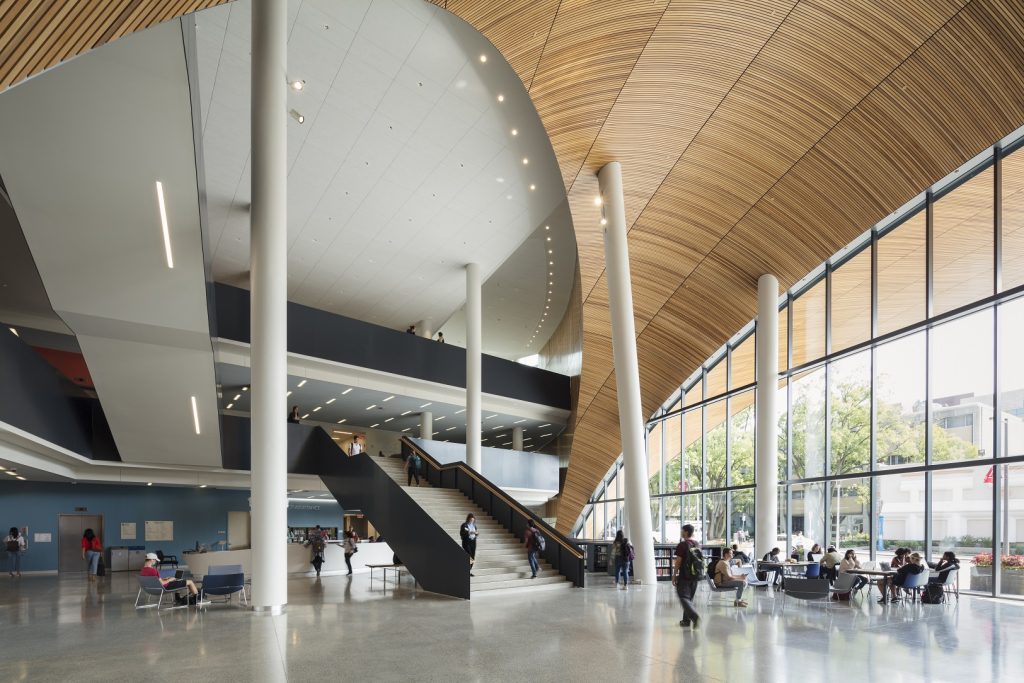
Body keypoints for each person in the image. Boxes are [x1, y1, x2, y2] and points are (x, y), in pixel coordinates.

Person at [673, 523, 702, 628]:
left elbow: (678, 562)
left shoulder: (682, 545)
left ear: (686, 532)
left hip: (684, 576)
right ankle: (686, 621)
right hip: (695, 576)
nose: (681, 532)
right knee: (689, 599)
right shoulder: (697, 544)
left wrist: (674, 574)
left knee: (683, 597)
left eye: (682, 530)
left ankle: (694, 617)